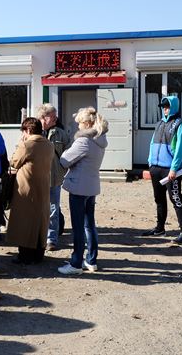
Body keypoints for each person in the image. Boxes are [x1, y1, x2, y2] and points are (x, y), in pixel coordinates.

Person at [58, 107, 108, 275]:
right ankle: (91, 260)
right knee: (89, 225)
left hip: (79, 187)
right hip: (91, 186)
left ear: (86, 123)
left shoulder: (84, 141)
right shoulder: (100, 139)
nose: (78, 126)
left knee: (78, 227)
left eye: (79, 123)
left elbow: (64, 160)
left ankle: (76, 263)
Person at [142, 95, 182, 245]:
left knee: (176, 199)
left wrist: (174, 169)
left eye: (167, 106)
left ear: (174, 107)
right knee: (159, 199)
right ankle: (160, 228)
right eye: (163, 107)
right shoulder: (159, 124)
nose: (165, 109)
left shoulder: (181, 125)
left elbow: (180, 150)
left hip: (170, 170)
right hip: (155, 168)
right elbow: (152, 144)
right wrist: (150, 162)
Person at [5, 117, 53, 265]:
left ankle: (25, 255)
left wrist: (20, 143)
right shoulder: (49, 145)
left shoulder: (27, 145)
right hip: (43, 187)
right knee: (40, 220)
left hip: (26, 187)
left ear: (28, 130)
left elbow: (14, 161)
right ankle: (39, 254)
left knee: (24, 220)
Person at [37, 104, 70, 251]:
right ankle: (37, 237)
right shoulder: (33, 131)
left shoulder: (61, 134)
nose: (56, 118)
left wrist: (63, 169)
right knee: (36, 209)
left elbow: (69, 153)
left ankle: (51, 240)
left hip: (54, 179)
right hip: (36, 179)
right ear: (43, 117)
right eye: (53, 115)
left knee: (53, 210)